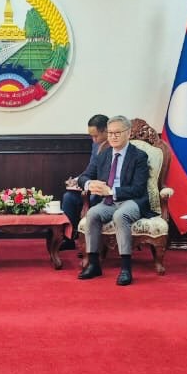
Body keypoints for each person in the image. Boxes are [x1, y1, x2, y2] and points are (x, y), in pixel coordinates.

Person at [75, 115, 152, 287]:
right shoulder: (103, 155)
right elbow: (84, 176)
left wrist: (110, 191)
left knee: (120, 215)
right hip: (109, 202)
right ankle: (93, 264)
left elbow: (138, 189)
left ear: (128, 133)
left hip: (132, 201)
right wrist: (89, 184)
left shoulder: (139, 156)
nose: (113, 137)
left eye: (117, 133)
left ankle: (126, 268)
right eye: (110, 133)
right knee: (92, 214)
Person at [60, 114, 110, 249]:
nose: (93, 140)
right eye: (91, 136)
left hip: (107, 191)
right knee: (68, 197)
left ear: (106, 130)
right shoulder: (96, 145)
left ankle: (91, 242)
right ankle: (69, 239)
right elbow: (90, 170)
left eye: (96, 136)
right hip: (91, 187)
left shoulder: (118, 146)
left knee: (93, 198)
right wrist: (77, 180)